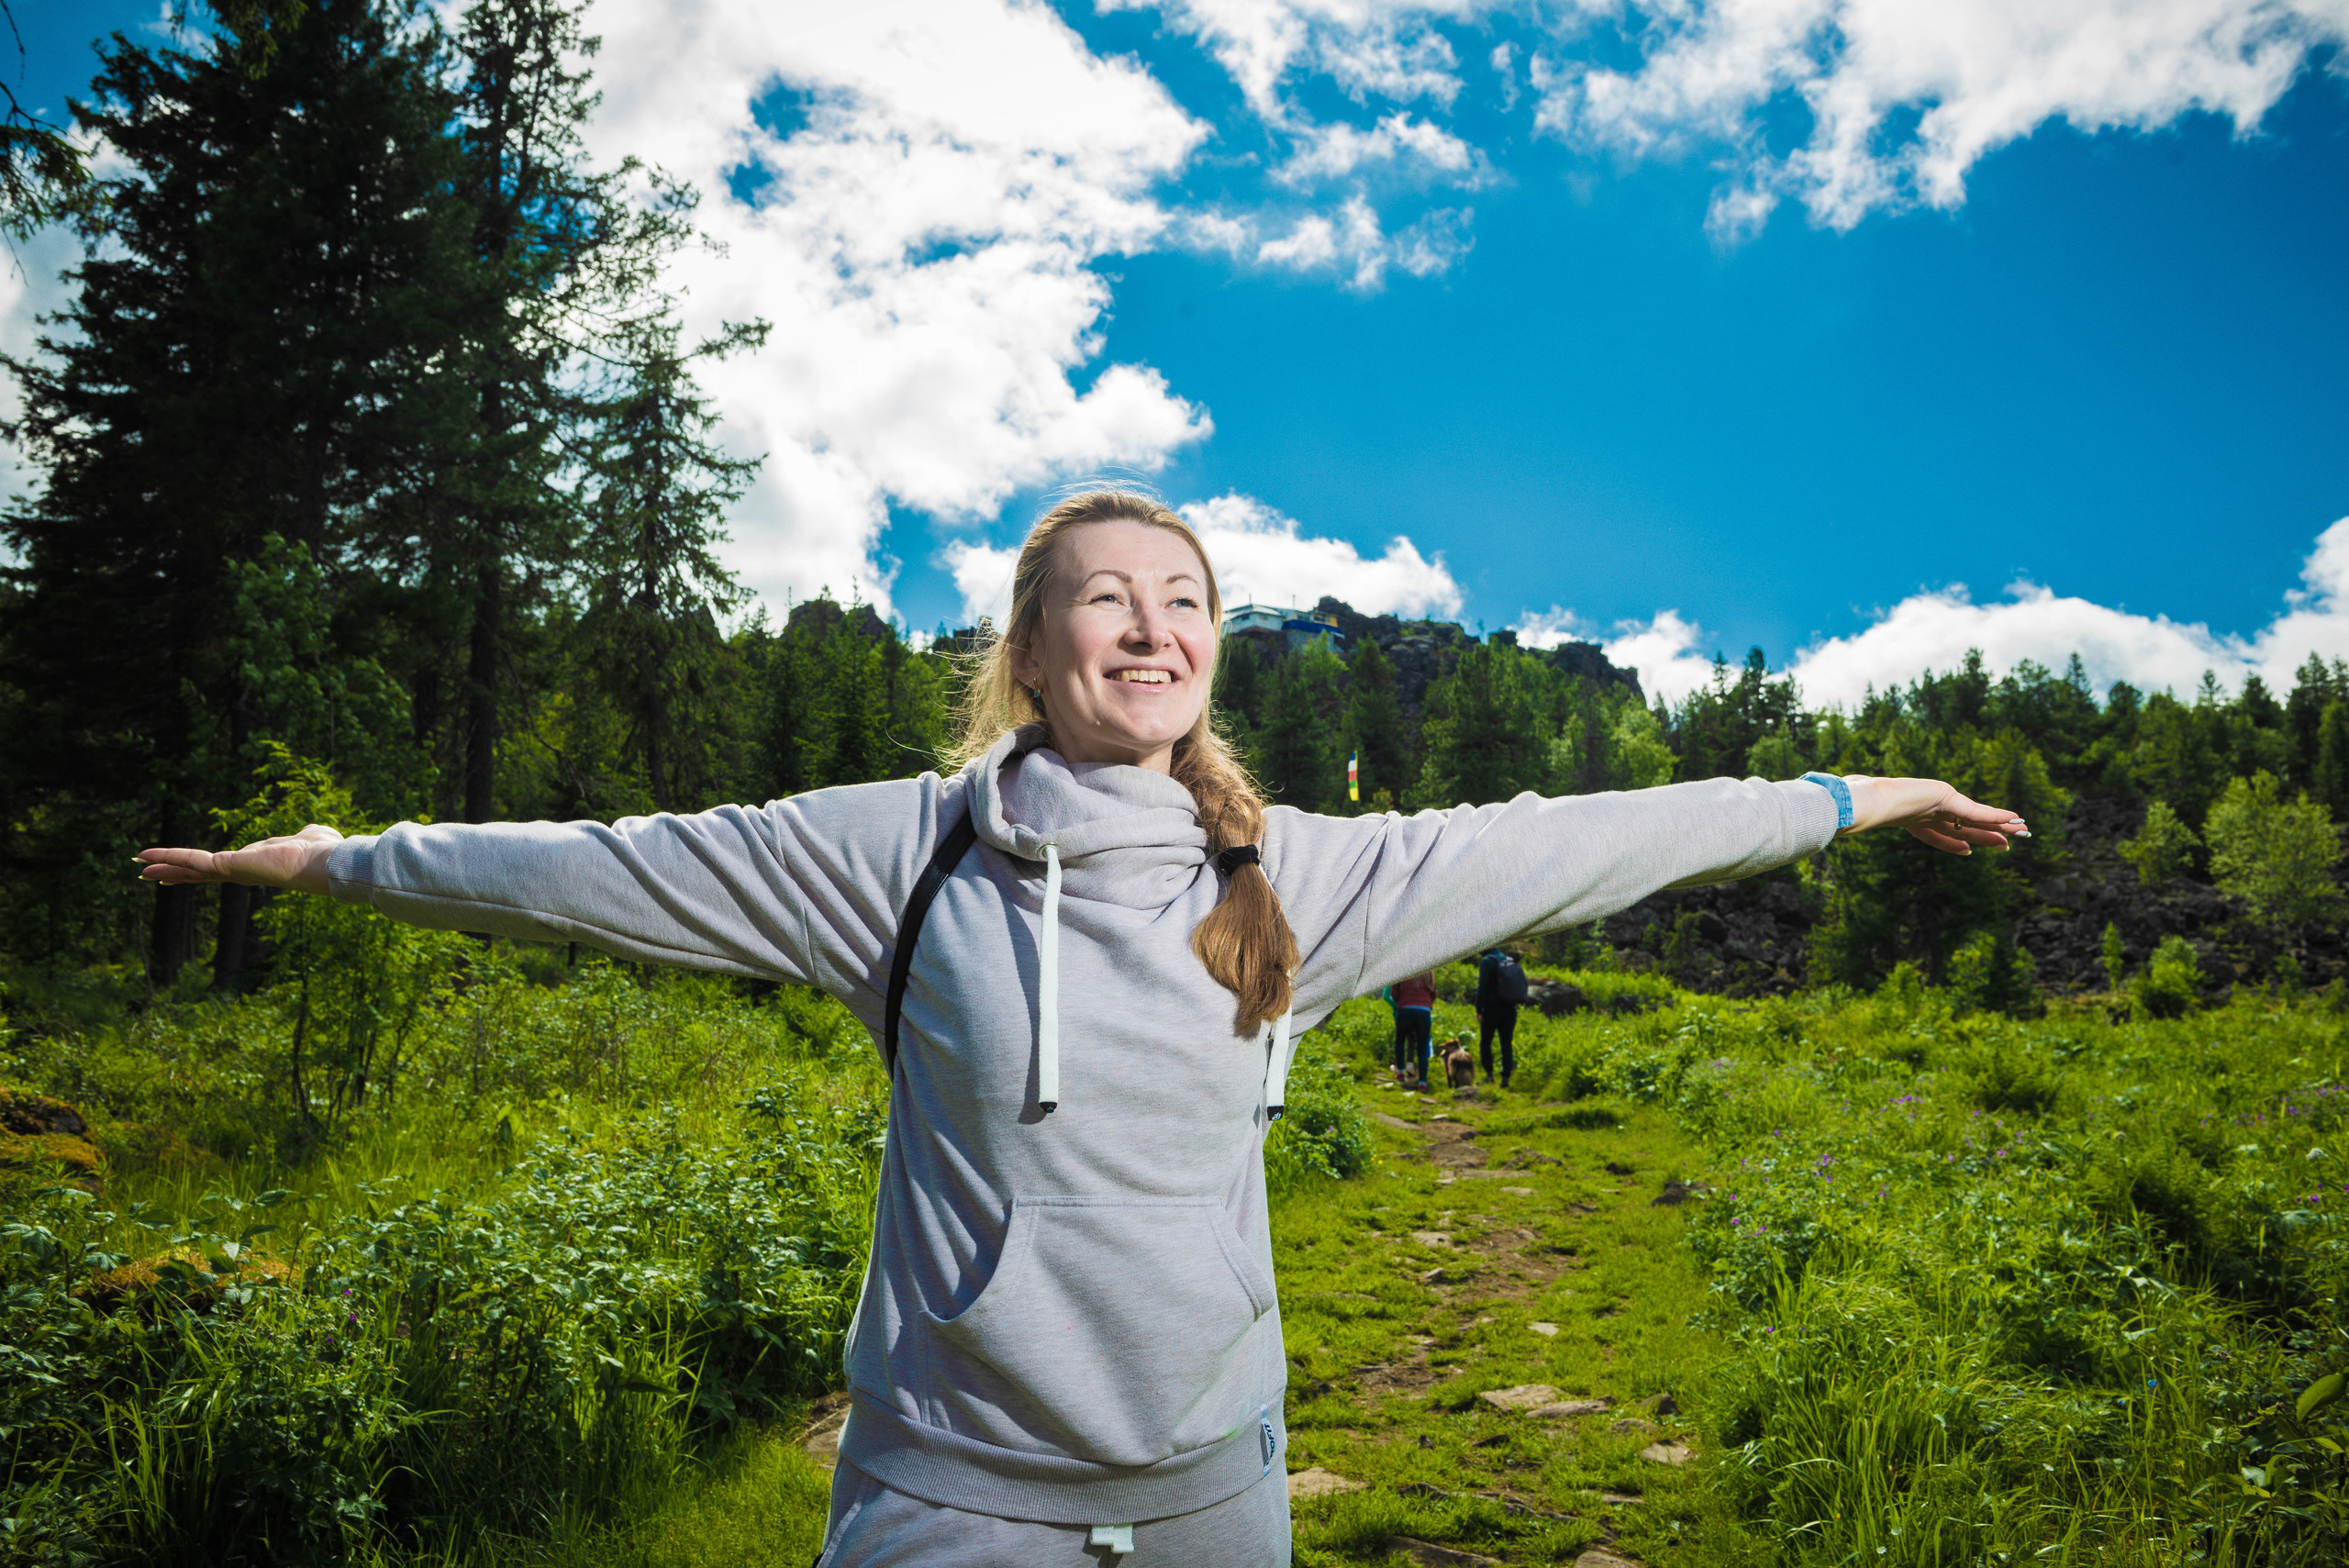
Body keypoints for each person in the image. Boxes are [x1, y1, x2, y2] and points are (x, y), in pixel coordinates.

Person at [136, 489, 2028, 1567]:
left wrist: (1851, 790)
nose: (1148, 626)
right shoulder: (907, 846)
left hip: (1219, 1493)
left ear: (1210, 646)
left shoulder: (1298, 870)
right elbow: (606, 864)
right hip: (947, 1500)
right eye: (1101, 601)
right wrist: (326, 857)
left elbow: (1599, 834)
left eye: (1183, 600)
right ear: (1031, 651)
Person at [1475, 945, 1524, 1089]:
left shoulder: (1487, 961)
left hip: (1491, 1009)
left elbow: (1482, 987)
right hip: (1510, 1009)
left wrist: (1479, 1008)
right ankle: (1506, 1079)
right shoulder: (1509, 960)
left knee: (1486, 1042)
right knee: (1506, 1044)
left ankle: (1489, 1075)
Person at [1390, 969, 1437, 1091]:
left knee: (1400, 1041)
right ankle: (1422, 1082)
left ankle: (1400, 1072)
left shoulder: (1403, 969)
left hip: (1405, 1009)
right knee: (1422, 1047)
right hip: (1424, 1011)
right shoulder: (1429, 971)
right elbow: (1433, 993)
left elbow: (1394, 992)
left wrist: (1401, 1001)